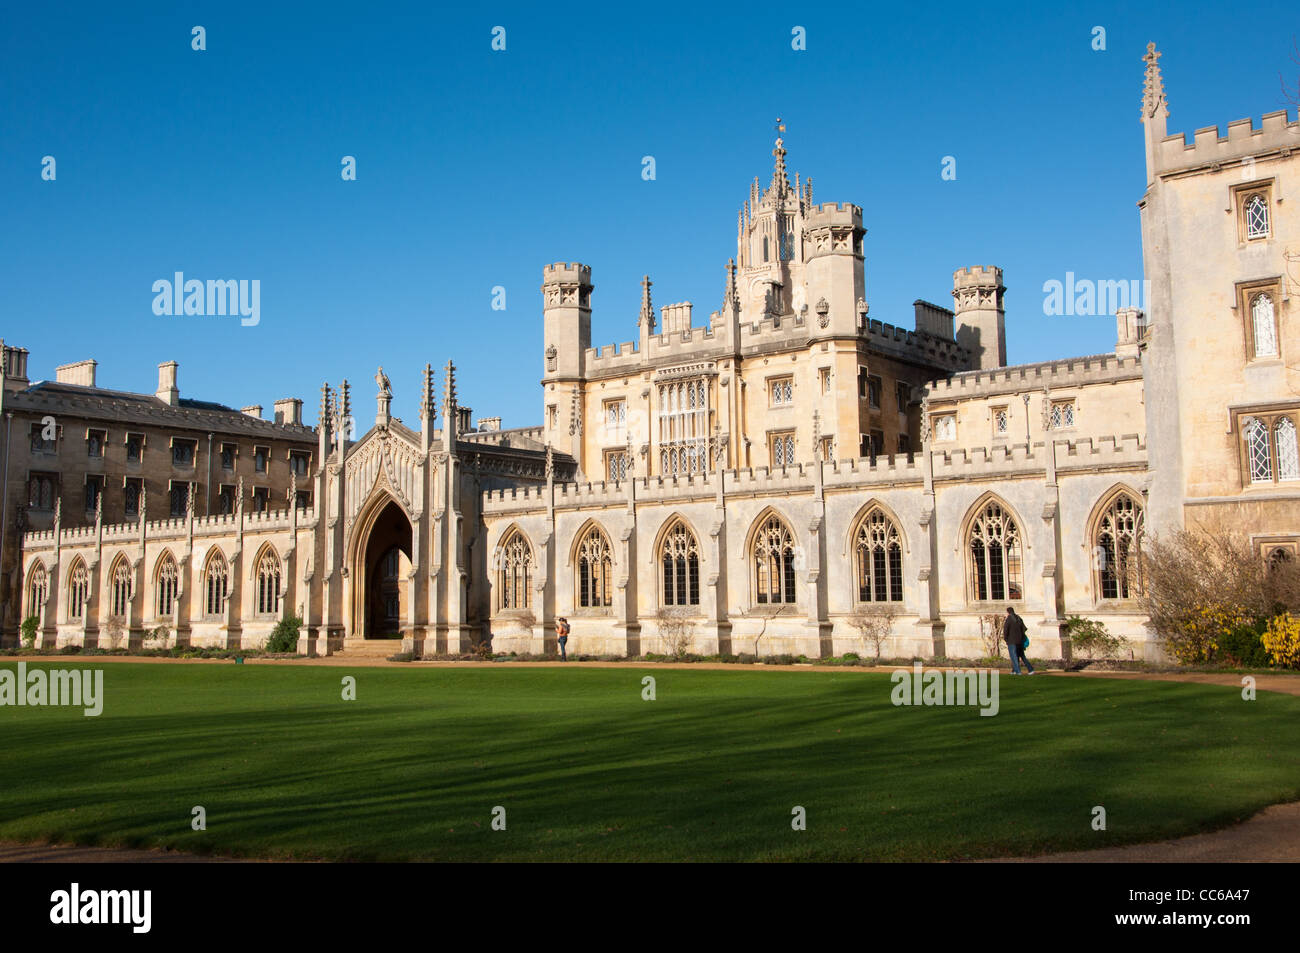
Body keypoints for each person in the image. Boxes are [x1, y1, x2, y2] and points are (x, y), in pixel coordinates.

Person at [1003, 606, 1034, 675]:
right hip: (1020, 641)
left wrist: (1006, 639)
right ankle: (1030, 669)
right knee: (1022, 656)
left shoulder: (1009, 619)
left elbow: (1005, 631)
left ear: (1008, 612)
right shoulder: (1019, 618)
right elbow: (1024, 629)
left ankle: (1018, 671)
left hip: (1012, 641)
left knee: (1014, 657)